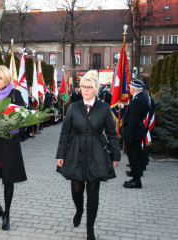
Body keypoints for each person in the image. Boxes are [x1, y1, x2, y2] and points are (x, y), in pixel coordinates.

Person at [56, 70, 120, 240]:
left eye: (89, 87)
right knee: (76, 188)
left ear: (96, 89)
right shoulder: (73, 107)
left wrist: (116, 155)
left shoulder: (104, 108)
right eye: (83, 86)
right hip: (76, 149)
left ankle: (90, 228)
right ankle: (79, 209)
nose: (85, 89)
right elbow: (65, 132)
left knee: (93, 188)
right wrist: (60, 153)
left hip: (96, 151)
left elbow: (112, 133)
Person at [0, 65, 27, 231]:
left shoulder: (15, 94)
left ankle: (7, 214)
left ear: (6, 78)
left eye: (0, 78)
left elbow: (24, 119)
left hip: (9, 143)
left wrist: (11, 129)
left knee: (8, 179)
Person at [122, 78, 149, 189]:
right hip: (136, 132)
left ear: (133, 88)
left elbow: (133, 120)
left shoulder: (137, 100)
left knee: (134, 157)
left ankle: (136, 180)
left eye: (130, 87)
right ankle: (135, 178)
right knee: (134, 156)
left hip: (134, 133)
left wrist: (130, 136)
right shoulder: (140, 97)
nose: (129, 89)